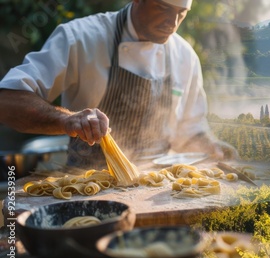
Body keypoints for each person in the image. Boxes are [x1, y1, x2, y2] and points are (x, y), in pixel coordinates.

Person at [0, 0, 238, 169]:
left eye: (181, 13)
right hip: (87, 184)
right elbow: (7, 102)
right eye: (163, 8)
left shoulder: (185, 56)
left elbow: (190, 129)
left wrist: (210, 145)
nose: (172, 23)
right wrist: (67, 120)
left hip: (158, 190)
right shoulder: (81, 37)